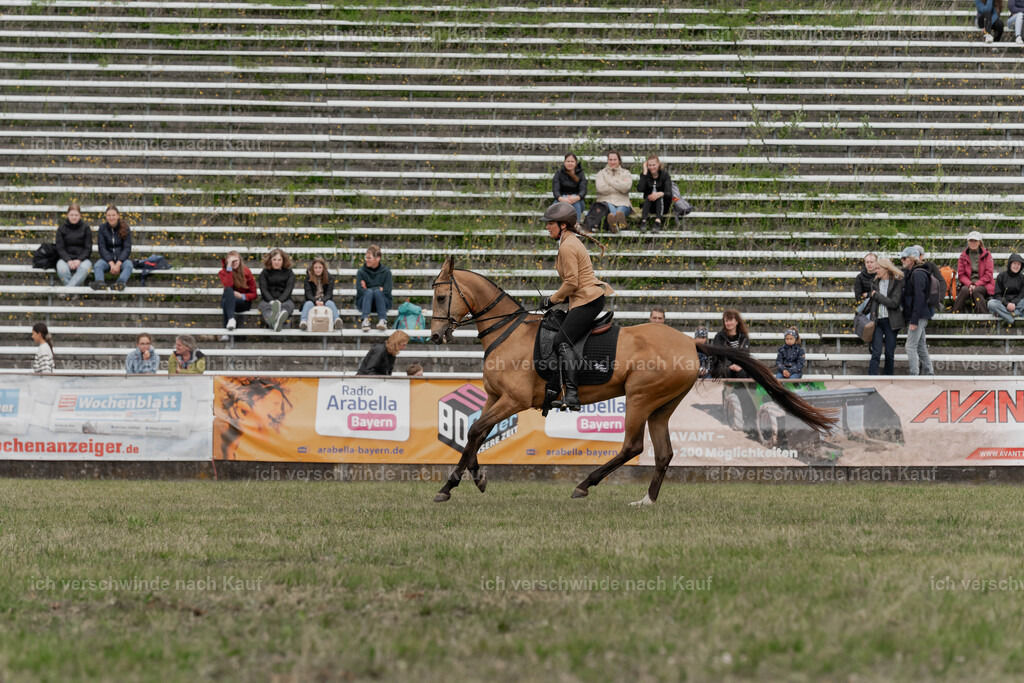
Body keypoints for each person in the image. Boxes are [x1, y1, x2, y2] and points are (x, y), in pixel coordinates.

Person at [540, 202, 614, 410]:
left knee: (561, 340)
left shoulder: (567, 246)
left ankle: (572, 394)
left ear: (563, 225)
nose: (547, 227)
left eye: (550, 224)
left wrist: (552, 300)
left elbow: (572, 282)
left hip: (588, 299)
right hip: (584, 297)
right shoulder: (569, 241)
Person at [867, 258, 905, 376]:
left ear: (886, 269)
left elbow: (894, 303)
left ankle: (888, 379)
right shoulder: (874, 283)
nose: (876, 270)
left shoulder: (897, 283)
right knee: (876, 352)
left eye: (878, 268)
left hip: (891, 322)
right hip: (877, 321)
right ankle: (871, 378)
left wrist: (877, 296)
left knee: (889, 353)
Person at [899, 247, 934, 376]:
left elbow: (919, 298)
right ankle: (929, 373)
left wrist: (914, 319)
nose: (902, 260)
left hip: (918, 316)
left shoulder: (918, 273)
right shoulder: (912, 272)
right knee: (920, 346)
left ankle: (914, 375)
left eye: (904, 258)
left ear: (912, 259)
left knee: (910, 346)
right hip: (920, 315)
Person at [218, 249, 258, 340]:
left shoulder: (247, 272)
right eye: (231, 261)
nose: (234, 263)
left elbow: (254, 294)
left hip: (243, 302)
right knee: (228, 291)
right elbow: (228, 285)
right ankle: (231, 319)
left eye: (236, 260)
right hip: (229, 300)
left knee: (225, 302)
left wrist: (242, 296)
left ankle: (226, 332)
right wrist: (229, 268)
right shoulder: (223, 272)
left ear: (240, 260)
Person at [92, 205, 133, 291]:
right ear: (106, 217)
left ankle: (120, 283)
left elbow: (127, 248)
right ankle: (100, 283)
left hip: (121, 260)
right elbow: (102, 247)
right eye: (109, 215)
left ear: (118, 216)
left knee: (129, 265)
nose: (111, 218)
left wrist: (118, 263)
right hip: (107, 261)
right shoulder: (102, 228)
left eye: (113, 215)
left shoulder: (125, 228)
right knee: (98, 265)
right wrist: (111, 263)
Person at [952, 230, 994, 313]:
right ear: (968, 242)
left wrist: (976, 285)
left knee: (976, 291)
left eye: (975, 241)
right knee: (964, 290)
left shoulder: (987, 255)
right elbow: (961, 275)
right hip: (968, 284)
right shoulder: (963, 256)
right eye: (971, 240)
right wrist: (970, 284)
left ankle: (985, 318)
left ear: (979, 242)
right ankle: (955, 313)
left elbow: (988, 274)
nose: (973, 243)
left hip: (984, 284)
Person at [355, 244, 393, 332]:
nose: (366, 260)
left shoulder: (386, 272)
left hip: (382, 303)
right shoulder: (361, 272)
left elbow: (387, 291)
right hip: (365, 302)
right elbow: (360, 291)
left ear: (378, 258)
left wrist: (369, 288)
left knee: (375, 292)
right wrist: (378, 288)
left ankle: (383, 320)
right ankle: (365, 320)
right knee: (370, 292)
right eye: (366, 257)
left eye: (369, 258)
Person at [55, 204, 92, 289]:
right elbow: (60, 248)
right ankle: (74, 292)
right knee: (61, 269)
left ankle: (68, 291)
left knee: (86, 268)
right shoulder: (61, 229)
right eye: (71, 215)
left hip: (82, 259)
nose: (74, 217)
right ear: (67, 215)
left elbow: (88, 248)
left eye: (76, 215)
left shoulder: (86, 228)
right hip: (65, 259)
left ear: (80, 215)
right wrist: (68, 260)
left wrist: (79, 260)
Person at [594, 150, 632, 233]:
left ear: (619, 160)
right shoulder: (601, 173)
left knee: (620, 211)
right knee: (611, 210)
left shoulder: (626, 173)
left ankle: (616, 223)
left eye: (615, 159)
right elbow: (601, 188)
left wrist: (610, 182)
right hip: (606, 202)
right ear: (607, 160)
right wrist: (619, 185)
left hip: (622, 202)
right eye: (610, 160)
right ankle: (619, 224)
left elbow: (626, 187)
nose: (612, 162)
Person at [258, 248, 295, 332]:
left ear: (283, 261)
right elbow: (263, 289)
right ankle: (275, 323)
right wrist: (271, 301)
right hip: (267, 300)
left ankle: (278, 318)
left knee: (287, 307)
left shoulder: (289, 273)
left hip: (285, 300)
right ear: (270, 260)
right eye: (274, 259)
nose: (276, 262)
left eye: (279, 260)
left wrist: (279, 301)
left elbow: (288, 290)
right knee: (266, 308)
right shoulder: (264, 272)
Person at [300, 257, 341, 331]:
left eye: (320, 267)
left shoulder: (330, 278)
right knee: (308, 304)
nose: (318, 270)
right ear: (312, 268)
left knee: (330, 303)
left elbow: (329, 293)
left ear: (323, 268)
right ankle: (303, 321)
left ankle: (336, 320)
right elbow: (308, 293)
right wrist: (315, 301)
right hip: (312, 300)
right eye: (315, 268)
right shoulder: (308, 278)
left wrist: (323, 301)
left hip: (325, 300)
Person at [636, 155, 671, 233]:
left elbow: (669, 193)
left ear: (658, 164)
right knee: (649, 197)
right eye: (650, 165)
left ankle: (657, 223)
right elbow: (640, 189)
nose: (652, 167)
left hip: (663, 206)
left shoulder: (665, 175)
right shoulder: (646, 175)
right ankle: (644, 222)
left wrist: (660, 194)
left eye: (654, 165)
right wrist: (645, 172)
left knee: (658, 196)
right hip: (650, 206)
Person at [712, 309, 749, 379]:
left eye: (731, 320)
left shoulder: (744, 337)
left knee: (743, 372)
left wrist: (738, 365)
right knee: (726, 371)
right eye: (726, 321)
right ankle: (726, 390)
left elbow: (746, 355)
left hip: (740, 366)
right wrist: (729, 365)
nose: (728, 323)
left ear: (737, 321)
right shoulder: (719, 336)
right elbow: (719, 355)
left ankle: (740, 390)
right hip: (723, 366)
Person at [987, 253, 1024, 325]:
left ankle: (1008, 314)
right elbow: (997, 295)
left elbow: (1022, 294)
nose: (1016, 266)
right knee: (991, 303)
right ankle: (1013, 315)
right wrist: (1007, 304)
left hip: (1017, 304)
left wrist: (1014, 303)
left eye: (1019, 264)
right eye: (1014, 263)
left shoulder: (1022, 278)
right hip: (1004, 304)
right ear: (1010, 264)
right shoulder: (1001, 276)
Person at [552, 152, 587, 222]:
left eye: (572, 161)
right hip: (561, 198)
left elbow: (583, 190)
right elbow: (555, 189)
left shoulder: (580, 174)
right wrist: (562, 199)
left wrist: (576, 198)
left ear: (576, 163)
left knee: (576, 203)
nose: (570, 163)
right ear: (564, 163)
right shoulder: (559, 174)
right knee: (554, 209)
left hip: (578, 201)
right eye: (568, 161)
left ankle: (576, 225)